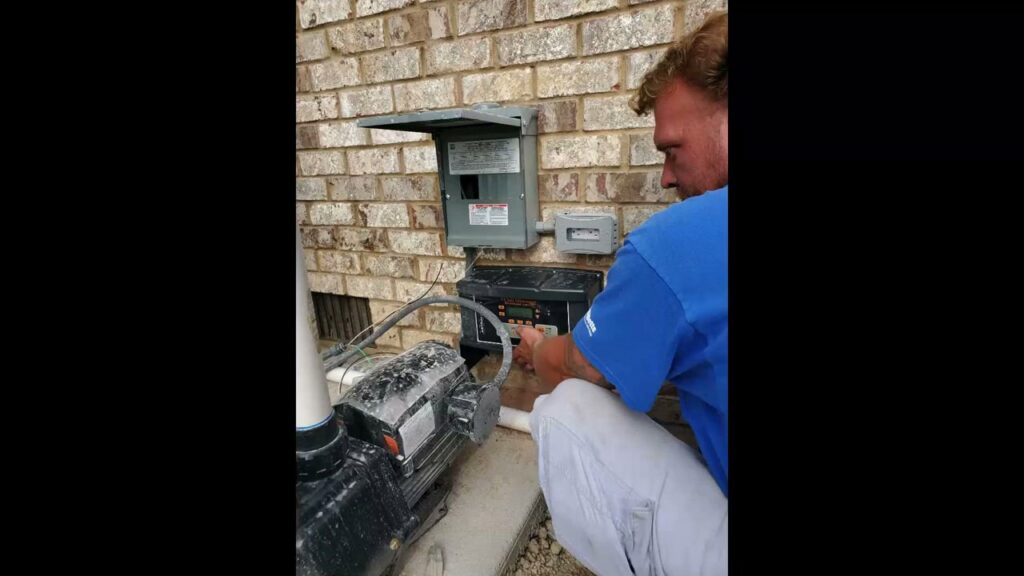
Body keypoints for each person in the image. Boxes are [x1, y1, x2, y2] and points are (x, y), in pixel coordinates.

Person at [512, 11, 729, 576]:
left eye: (672, 148)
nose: (665, 177)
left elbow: (585, 367)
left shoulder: (678, 244)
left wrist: (537, 350)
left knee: (566, 410)